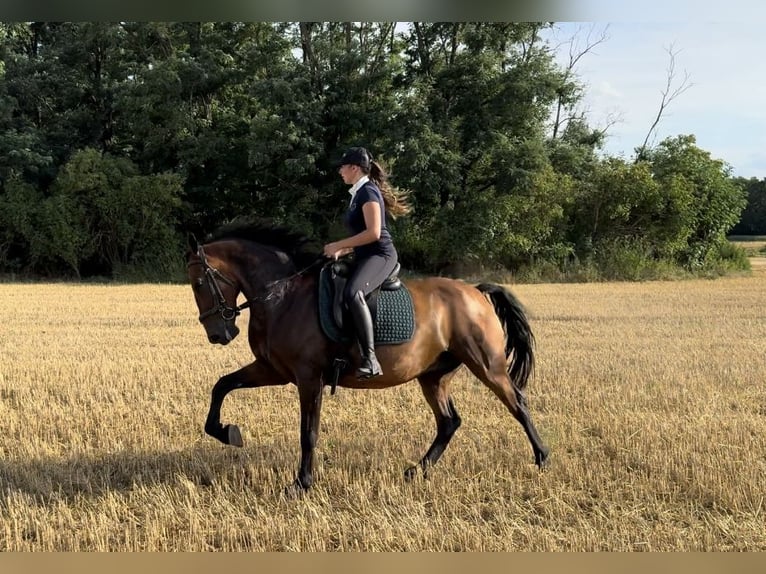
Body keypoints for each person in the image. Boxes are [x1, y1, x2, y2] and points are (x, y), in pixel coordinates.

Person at [323, 146, 410, 379]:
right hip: (365, 255)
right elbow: (363, 235)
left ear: (353, 168)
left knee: (354, 292)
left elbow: (373, 233)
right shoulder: (357, 194)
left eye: (342, 167)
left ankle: (371, 360)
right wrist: (345, 249)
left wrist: (339, 244)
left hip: (381, 255)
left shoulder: (368, 192)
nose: (340, 171)